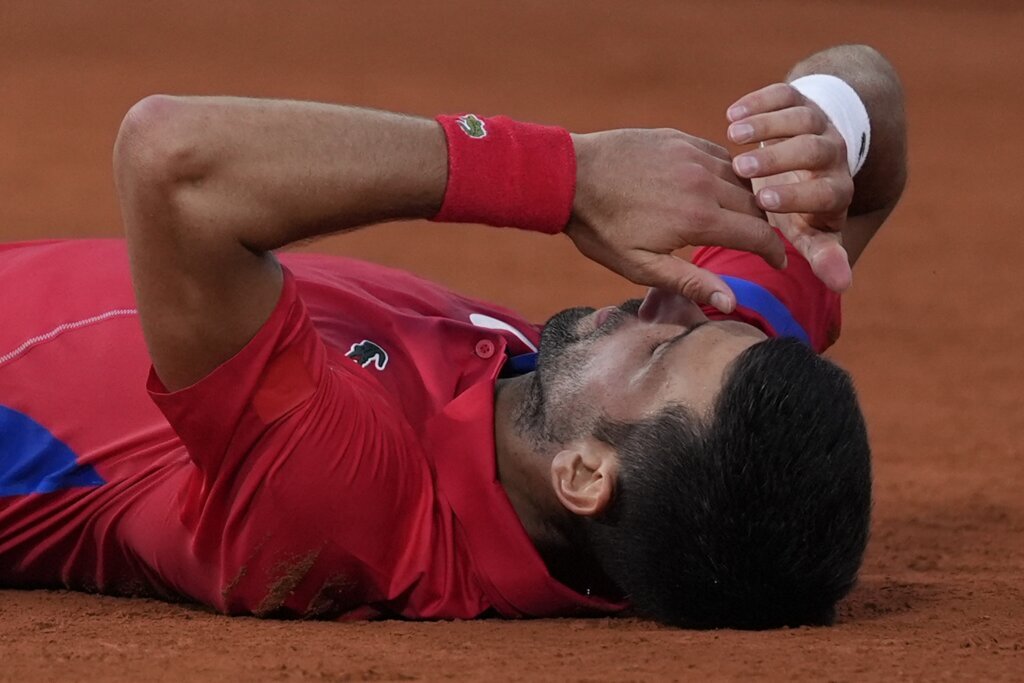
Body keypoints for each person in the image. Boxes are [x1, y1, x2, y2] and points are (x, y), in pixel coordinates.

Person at [0, 44, 906, 629]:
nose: (674, 303)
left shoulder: (355, 508)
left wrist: (564, 175)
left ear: (585, 476)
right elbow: (873, 103)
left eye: (665, 350)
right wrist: (820, 128)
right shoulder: (689, 391)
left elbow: (171, 158)